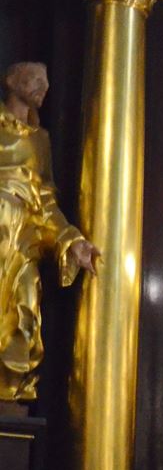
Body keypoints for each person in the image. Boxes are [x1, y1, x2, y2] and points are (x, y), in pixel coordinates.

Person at [2, 61, 100, 403]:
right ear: (13, 81)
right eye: (36, 80)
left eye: (47, 81)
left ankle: (10, 392)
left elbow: (45, 201)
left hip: (22, 241)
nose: (44, 87)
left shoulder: (40, 139)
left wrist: (71, 239)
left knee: (25, 314)